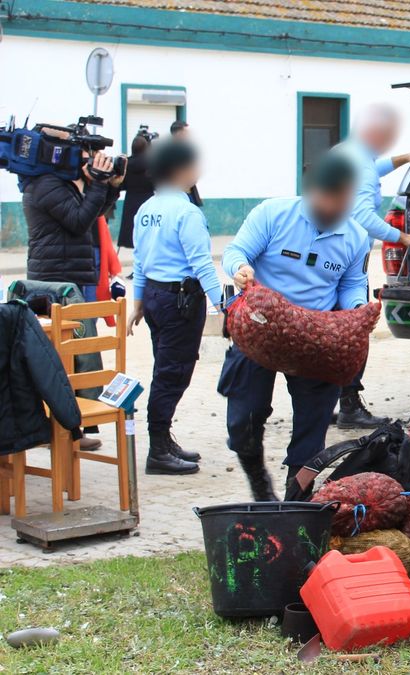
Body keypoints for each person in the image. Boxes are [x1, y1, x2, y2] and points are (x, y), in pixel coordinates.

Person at [218, 153, 372, 501]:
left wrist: (357, 310)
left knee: (312, 432)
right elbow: (236, 250)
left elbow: (352, 284)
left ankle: (295, 504)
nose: (333, 206)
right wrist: (240, 268)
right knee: (243, 421)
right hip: (260, 331)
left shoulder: (357, 236)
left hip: (315, 339)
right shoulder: (272, 214)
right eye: (326, 196)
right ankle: (260, 485)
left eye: (342, 199)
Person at [330, 103, 410, 429]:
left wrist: (403, 158)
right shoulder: (360, 161)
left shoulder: (348, 152)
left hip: (330, 257)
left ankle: (323, 402)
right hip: (347, 263)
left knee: (329, 331)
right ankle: (349, 406)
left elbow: (372, 170)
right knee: (354, 330)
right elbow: (362, 215)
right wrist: (403, 237)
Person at [127, 139, 222, 476]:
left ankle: (163, 440)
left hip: (156, 298)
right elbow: (202, 264)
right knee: (172, 374)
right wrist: (226, 305)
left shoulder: (146, 208)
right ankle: (157, 450)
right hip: (180, 301)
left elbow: (140, 261)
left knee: (165, 369)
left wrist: (139, 303)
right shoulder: (187, 212)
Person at [22, 144, 123, 451]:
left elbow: (94, 216)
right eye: (84, 157)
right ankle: (61, 431)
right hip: (53, 282)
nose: (88, 163)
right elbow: (79, 220)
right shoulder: (45, 186)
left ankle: (73, 428)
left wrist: (110, 187)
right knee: (62, 360)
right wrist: (99, 184)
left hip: (71, 278)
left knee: (77, 357)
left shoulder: (63, 185)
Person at [118, 131, 155, 249]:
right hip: (148, 199)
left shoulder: (126, 163)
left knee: (131, 227)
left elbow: (121, 184)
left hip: (131, 198)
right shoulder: (151, 163)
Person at [169, 120, 203, 207]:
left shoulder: (188, 149)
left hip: (188, 191)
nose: (188, 135)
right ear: (179, 133)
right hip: (174, 192)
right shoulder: (168, 152)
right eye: (186, 132)